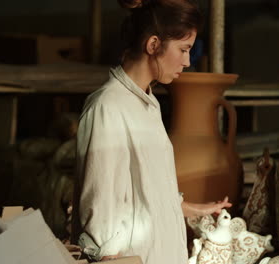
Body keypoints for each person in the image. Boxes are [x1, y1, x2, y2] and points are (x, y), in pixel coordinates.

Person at [71, 0, 232, 263]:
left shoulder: (149, 104)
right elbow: (100, 212)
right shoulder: (107, 107)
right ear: (153, 45)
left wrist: (194, 209)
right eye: (183, 49)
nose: (188, 61)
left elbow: (147, 192)